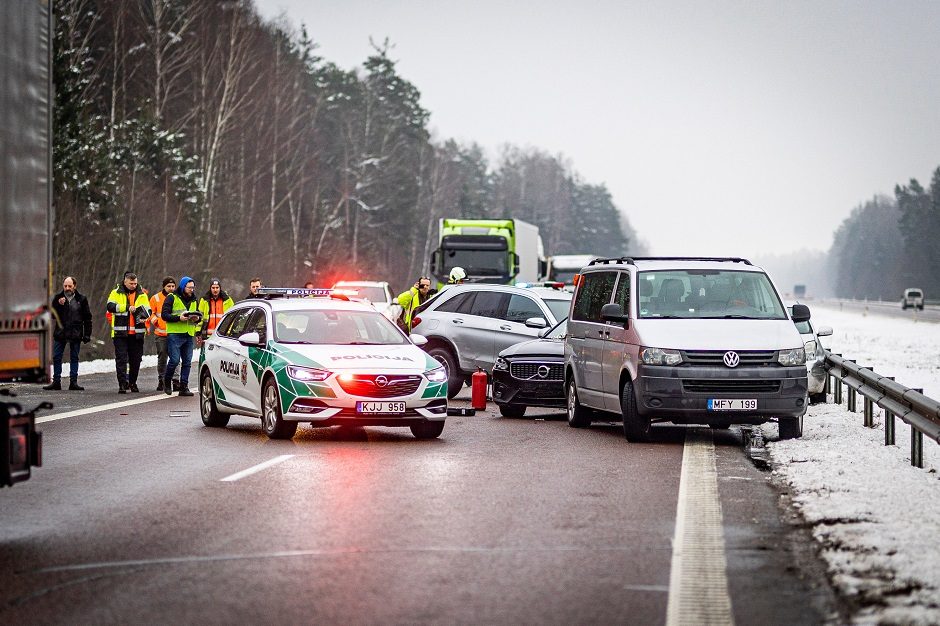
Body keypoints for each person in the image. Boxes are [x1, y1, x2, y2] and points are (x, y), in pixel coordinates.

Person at [43, 276, 92, 391]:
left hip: (76, 332)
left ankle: (73, 382)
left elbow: (87, 318)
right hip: (61, 332)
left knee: (74, 357)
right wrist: (58, 305)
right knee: (56, 357)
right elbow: (52, 315)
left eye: (69, 286)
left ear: (74, 286)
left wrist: (87, 334)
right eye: (65, 286)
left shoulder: (82, 299)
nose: (67, 288)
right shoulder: (58, 298)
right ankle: (56, 382)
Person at [107, 271, 151, 393]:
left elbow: (148, 310)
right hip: (120, 333)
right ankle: (122, 384)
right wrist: (126, 307)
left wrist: (142, 313)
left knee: (135, 360)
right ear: (125, 281)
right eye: (131, 283)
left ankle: (132, 382)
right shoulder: (116, 292)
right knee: (121, 359)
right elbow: (110, 306)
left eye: (135, 283)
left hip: (137, 334)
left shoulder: (141, 294)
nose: (133, 285)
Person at [162, 276, 200, 397]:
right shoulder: (171, 297)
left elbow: (198, 317)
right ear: (183, 287)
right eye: (189, 287)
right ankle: (167, 381)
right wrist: (179, 318)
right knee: (174, 360)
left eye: (193, 287)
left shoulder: (194, 300)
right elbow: (164, 315)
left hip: (189, 334)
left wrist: (197, 319)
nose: (191, 290)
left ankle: (184, 386)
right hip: (175, 334)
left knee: (187, 362)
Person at [149, 276, 180, 392]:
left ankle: (176, 381)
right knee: (162, 356)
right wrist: (155, 321)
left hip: (175, 333)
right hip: (161, 333)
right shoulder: (155, 298)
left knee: (176, 358)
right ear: (164, 286)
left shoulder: (178, 297)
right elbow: (149, 312)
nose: (171, 288)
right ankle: (161, 379)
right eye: (169, 286)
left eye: (173, 286)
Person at [198, 278, 234, 345]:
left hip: (223, 335)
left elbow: (233, 317)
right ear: (210, 288)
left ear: (220, 288)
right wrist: (198, 332)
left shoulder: (228, 300)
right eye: (213, 288)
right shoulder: (204, 300)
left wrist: (230, 331)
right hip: (207, 336)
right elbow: (200, 317)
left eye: (217, 287)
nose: (215, 290)